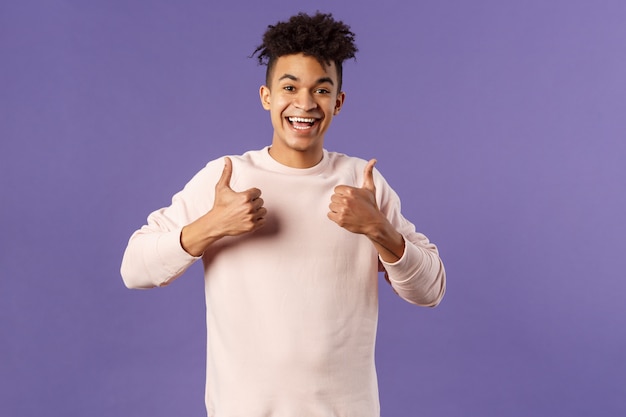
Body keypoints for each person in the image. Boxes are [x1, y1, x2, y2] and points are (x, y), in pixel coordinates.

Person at [121, 11, 445, 417]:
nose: (305, 104)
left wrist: (379, 230)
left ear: (339, 102)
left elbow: (431, 290)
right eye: (290, 87)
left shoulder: (364, 185)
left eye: (321, 91)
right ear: (266, 96)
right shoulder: (227, 178)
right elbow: (134, 269)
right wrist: (210, 226)